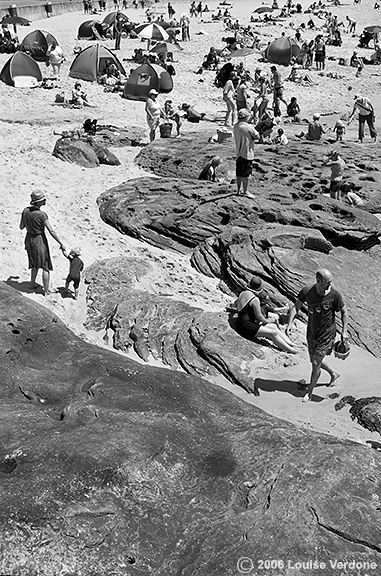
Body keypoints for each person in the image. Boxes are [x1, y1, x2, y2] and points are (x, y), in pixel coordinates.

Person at [286, 269, 348, 402]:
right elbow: (295, 307)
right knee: (313, 361)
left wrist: (344, 331)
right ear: (319, 281)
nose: (330, 284)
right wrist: (289, 324)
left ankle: (310, 392)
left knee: (315, 363)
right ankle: (334, 373)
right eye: (328, 282)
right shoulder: (307, 291)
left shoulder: (334, 294)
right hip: (312, 333)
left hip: (327, 335)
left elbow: (344, 311)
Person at [20, 191, 66, 296]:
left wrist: (30, 224)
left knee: (33, 263)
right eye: (43, 200)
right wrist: (61, 243)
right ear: (38, 202)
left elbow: (21, 227)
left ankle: (32, 284)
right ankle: (46, 291)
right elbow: (51, 231)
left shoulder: (25, 211)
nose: (45, 200)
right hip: (39, 240)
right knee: (45, 266)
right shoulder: (42, 215)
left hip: (29, 239)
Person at [237, 276, 299, 354]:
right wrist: (269, 320)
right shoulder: (254, 299)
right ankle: (292, 350)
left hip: (240, 323)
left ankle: (290, 343)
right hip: (246, 327)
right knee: (272, 333)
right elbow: (260, 317)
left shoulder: (243, 293)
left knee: (273, 327)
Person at [233, 108, 258, 198]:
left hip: (238, 153)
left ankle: (238, 190)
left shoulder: (235, 126)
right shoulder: (247, 126)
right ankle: (246, 191)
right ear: (246, 117)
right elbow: (257, 136)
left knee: (239, 173)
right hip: (247, 153)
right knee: (246, 174)